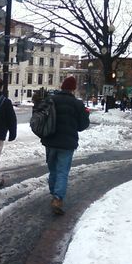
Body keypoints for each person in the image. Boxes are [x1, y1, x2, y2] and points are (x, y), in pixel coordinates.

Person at [41, 76, 90, 215]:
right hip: (67, 143)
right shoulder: (77, 104)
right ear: (73, 89)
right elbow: (82, 126)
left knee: (53, 169)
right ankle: (57, 198)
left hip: (50, 141)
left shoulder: (51, 100)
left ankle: (53, 192)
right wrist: (85, 116)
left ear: (62, 87)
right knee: (63, 171)